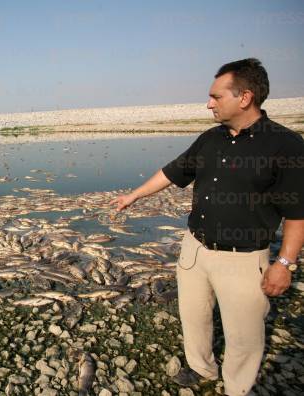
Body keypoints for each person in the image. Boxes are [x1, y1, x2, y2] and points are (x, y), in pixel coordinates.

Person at [109, 58, 304, 395]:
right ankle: (201, 368)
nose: (208, 103)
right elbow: (174, 171)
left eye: (216, 96)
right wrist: (133, 196)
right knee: (194, 317)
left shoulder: (285, 146)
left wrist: (284, 263)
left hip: (243, 259)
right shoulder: (209, 139)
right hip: (195, 250)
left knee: (244, 335)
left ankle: (236, 387)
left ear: (244, 98)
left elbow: (298, 214)